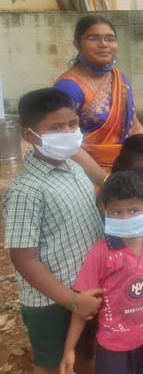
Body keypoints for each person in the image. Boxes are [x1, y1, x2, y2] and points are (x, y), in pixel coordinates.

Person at [3, 88, 104, 374]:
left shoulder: (74, 168)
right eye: (56, 128)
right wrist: (71, 300)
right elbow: (24, 259)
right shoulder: (26, 191)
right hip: (52, 302)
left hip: (87, 290)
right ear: (29, 135)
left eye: (72, 124)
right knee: (54, 365)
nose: (69, 132)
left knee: (86, 354)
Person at [59, 171, 143, 374]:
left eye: (133, 210)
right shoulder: (100, 254)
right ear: (104, 210)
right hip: (113, 345)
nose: (125, 217)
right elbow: (83, 304)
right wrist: (69, 349)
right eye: (116, 212)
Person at [54, 15, 143, 186]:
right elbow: (66, 143)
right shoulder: (68, 88)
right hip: (84, 176)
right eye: (93, 38)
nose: (103, 44)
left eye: (110, 39)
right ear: (77, 44)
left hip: (125, 169)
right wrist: (106, 181)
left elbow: (134, 125)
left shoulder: (119, 79)